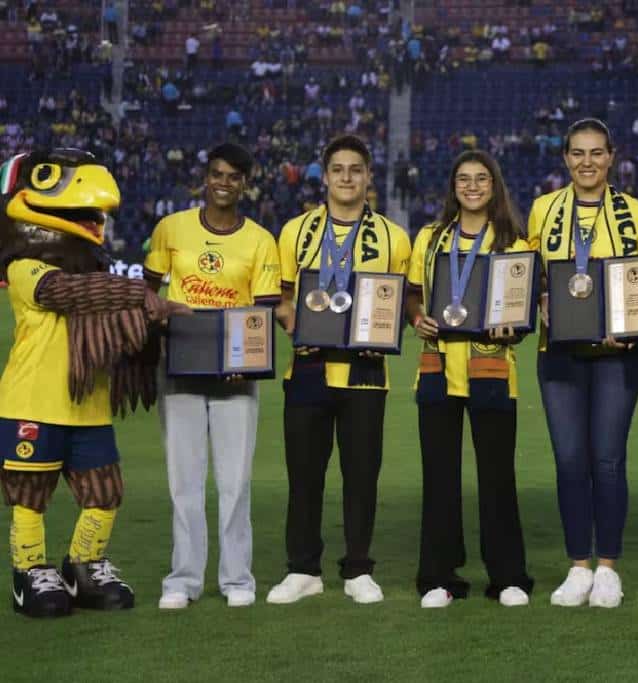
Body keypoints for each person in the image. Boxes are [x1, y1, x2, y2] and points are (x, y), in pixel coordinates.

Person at [0, 149, 183, 617]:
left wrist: (149, 329)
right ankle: (29, 571)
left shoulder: (98, 272)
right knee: (30, 495)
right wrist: (143, 295)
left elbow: (112, 317)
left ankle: (83, 565)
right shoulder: (25, 267)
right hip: (33, 402)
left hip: (90, 404)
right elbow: (66, 293)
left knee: (105, 492)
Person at [528, 118, 638, 608]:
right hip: (560, 353)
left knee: (607, 459)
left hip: (618, 354)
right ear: (565, 157)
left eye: (596, 153)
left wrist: (629, 323)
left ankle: (607, 568)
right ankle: (577, 567)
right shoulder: (544, 209)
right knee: (569, 461)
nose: (587, 162)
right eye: (577, 153)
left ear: (611, 157)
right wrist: (540, 299)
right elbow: (531, 277)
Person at [268, 135, 411, 605]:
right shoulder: (295, 231)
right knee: (304, 476)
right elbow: (283, 299)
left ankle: (358, 569)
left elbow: (403, 301)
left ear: (368, 176)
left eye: (355, 169)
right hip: (308, 369)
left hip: (365, 371)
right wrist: (297, 326)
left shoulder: (393, 237)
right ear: (325, 176)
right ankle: (302, 569)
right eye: (338, 169)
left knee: (361, 475)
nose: (347, 177)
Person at [144, 143, 282, 609]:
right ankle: (182, 580)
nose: (224, 183)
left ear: (245, 184)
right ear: (206, 178)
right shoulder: (171, 228)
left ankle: (237, 579)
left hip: (235, 375)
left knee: (234, 481)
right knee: (183, 480)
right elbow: (148, 292)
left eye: (234, 176)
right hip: (180, 365)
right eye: (217, 174)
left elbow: (262, 311)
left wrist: (244, 362)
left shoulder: (260, 240)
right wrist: (159, 320)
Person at [405, 150, 534, 608]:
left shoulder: (513, 242)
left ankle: (508, 577)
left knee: (497, 478)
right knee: (439, 478)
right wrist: (416, 317)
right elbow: (412, 295)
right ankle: (438, 578)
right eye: (464, 178)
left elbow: (522, 312)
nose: (472, 186)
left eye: (481, 178)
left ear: (494, 185)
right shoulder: (430, 238)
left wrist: (511, 328)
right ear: (453, 186)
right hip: (437, 371)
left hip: (491, 371)